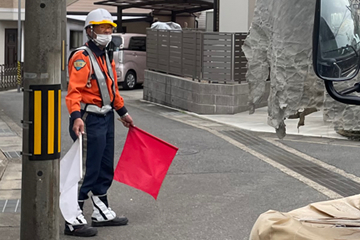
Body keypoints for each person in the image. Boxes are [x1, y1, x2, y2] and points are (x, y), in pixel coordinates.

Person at [65, 8, 134, 237]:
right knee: (85, 169)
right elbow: (73, 91)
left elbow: (111, 88)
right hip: (88, 119)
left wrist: (122, 112)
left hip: (106, 117)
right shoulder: (81, 57)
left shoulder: (106, 55)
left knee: (104, 166)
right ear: (90, 31)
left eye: (109, 28)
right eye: (103, 28)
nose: (107, 32)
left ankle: (100, 210)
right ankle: (72, 217)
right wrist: (75, 117)